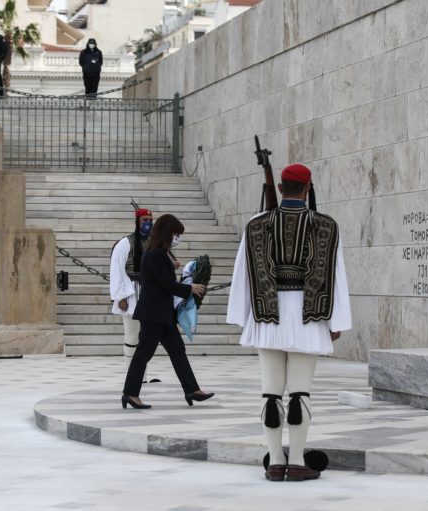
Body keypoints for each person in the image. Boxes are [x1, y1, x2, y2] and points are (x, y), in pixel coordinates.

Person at [226, 163, 351, 482]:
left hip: (267, 316)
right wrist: (336, 320)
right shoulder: (326, 225)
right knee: (300, 393)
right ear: (308, 189)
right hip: (309, 317)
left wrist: (243, 317)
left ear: (280, 189)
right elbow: (336, 277)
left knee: (270, 392)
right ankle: (296, 462)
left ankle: (275, 462)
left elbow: (243, 273)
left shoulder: (256, 224)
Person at [121, 214, 214, 409]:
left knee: (178, 351)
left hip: (162, 315)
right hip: (153, 314)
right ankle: (130, 393)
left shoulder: (159, 254)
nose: (177, 238)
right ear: (167, 233)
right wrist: (190, 288)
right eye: (175, 234)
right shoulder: (155, 255)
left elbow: (166, 284)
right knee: (144, 354)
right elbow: (166, 285)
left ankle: (192, 389)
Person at [109, 207, 160, 382]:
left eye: (150, 220)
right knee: (131, 336)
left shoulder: (154, 242)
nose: (148, 223)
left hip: (148, 292)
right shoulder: (125, 243)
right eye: (144, 220)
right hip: (131, 293)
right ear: (137, 222)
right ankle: (131, 377)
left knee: (145, 339)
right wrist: (119, 296)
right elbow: (116, 269)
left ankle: (142, 377)